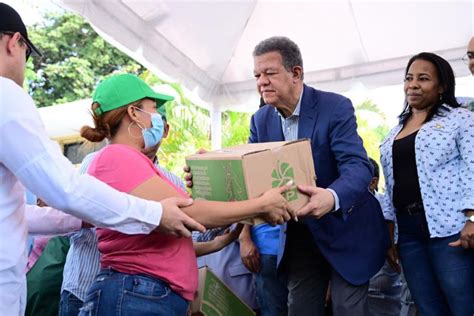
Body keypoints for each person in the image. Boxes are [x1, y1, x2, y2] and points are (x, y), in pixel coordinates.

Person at [0, 4, 208, 315]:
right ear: (14, 43)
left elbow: (20, 214)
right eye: (152, 110)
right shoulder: (6, 95)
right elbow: (65, 189)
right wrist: (152, 213)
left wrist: (85, 216)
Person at [77, 73, 293, 315]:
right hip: (136, 294)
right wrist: (260, 205)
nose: (158, 117)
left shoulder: (134, 162)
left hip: (146, 294)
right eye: (153, 108)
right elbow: (188, 212)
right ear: (134, 113)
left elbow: (159, 238)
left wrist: (215, 243)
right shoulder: (116, 157)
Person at [243, 36, 389, 316]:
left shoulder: (334, 107)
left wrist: (331, 197)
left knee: (346, 309)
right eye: (257, 75)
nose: (262, 81)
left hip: (347, 229)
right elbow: (248, 172)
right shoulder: (260, 120)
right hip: (301, 236)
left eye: (270, 73)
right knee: (300, 309)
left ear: (296, 73)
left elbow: (359, 166)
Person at [379, 52, 474, 316]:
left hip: (451, 230)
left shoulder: (460, 119)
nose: (413, 84)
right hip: (408, 234)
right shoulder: (394, 131)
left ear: (442, 86)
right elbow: (389, 186)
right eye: (409, 78)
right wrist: (389, 235)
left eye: (423, 78)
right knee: (429, 309)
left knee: (464, 306)